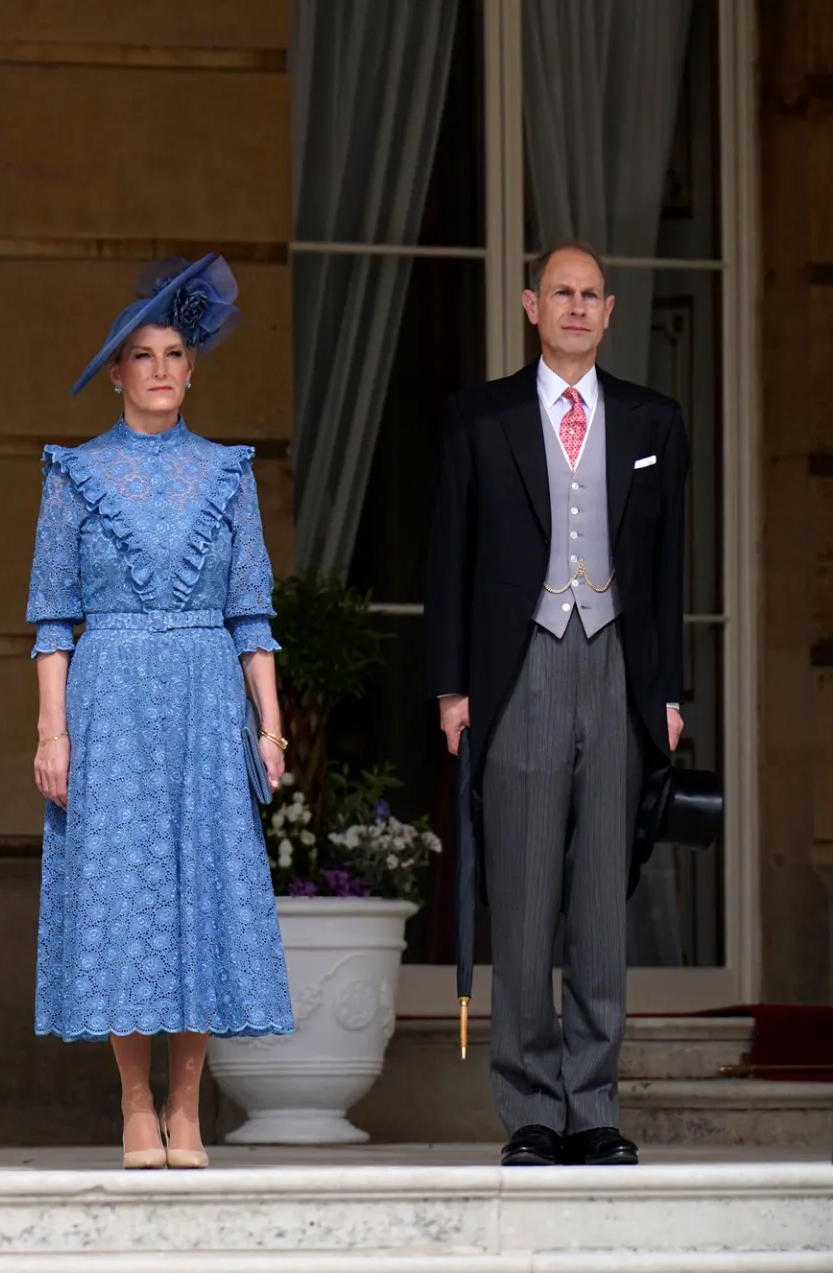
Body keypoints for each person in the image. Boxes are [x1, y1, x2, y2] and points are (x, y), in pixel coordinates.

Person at [27, 255, 294, 1170]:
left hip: (204, 696)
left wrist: (269, 725)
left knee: (202, 890)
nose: (159, 369)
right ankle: (135, 1103)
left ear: (191, 368)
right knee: (121, 893)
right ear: (115, 372)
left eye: (174, 353)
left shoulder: (228, 472)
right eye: (141, 355)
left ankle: (187, 1105)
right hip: (108, 700)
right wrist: (51, 731)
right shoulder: (72, 473)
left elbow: (251, 614)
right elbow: (51, 619)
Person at [426, 240, 688, 1168]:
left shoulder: (653, 420)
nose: (575, 307)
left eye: (590, 295)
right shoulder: (479, 416)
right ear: (530, 305)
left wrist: (666, 691)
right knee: (526, 895)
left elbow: (668, 570)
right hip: (519, 669)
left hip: (616, 666)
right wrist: (451, 686)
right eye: (559, 292)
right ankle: (532, 1107)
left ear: (608, 312)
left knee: (601, 904)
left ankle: (593, 1106)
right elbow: (449, 558)